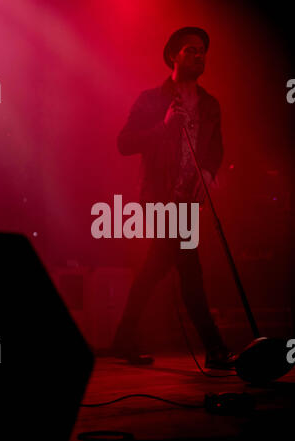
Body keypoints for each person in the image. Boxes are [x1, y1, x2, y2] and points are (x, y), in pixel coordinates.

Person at [111, 27, 235, 369]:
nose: (199, 55)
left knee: (155, 268)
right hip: (159, 198)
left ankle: (122, 338)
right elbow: (124, 143)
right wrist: (164, 127)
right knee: (189, 267)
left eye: (202, 50)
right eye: (190, 50)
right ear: (173, 56)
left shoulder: (210, 105)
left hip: (188, 201)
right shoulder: (152, 100)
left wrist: (208, 174)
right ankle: (215, 349)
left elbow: (216, 149)